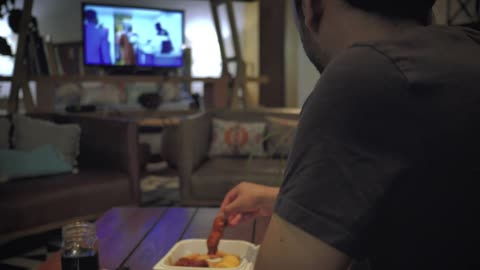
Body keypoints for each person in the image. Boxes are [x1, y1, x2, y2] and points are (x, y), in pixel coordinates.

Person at [220, 0, 480, 269]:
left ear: (311, 8)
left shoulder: (363, 77)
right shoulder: (468, 48)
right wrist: (282, 199)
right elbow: (429, 209)